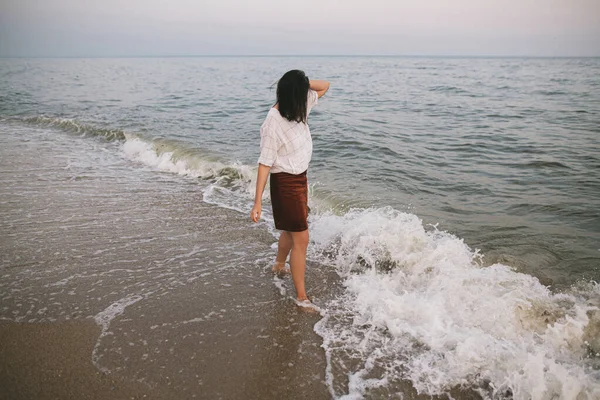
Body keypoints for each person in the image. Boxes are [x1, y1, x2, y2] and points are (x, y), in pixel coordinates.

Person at [250, 70, 330, 304]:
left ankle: (278, 264)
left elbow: (324, 85)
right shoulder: (272, 123)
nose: (308, 94)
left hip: (299, 178)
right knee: (301, 238)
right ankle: (302, 297)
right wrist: (257, 203)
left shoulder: (298, 104)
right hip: (285, 183)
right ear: (293, 94)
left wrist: (303, 83)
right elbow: (264, 163)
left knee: (290, 229)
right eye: (303, 90)